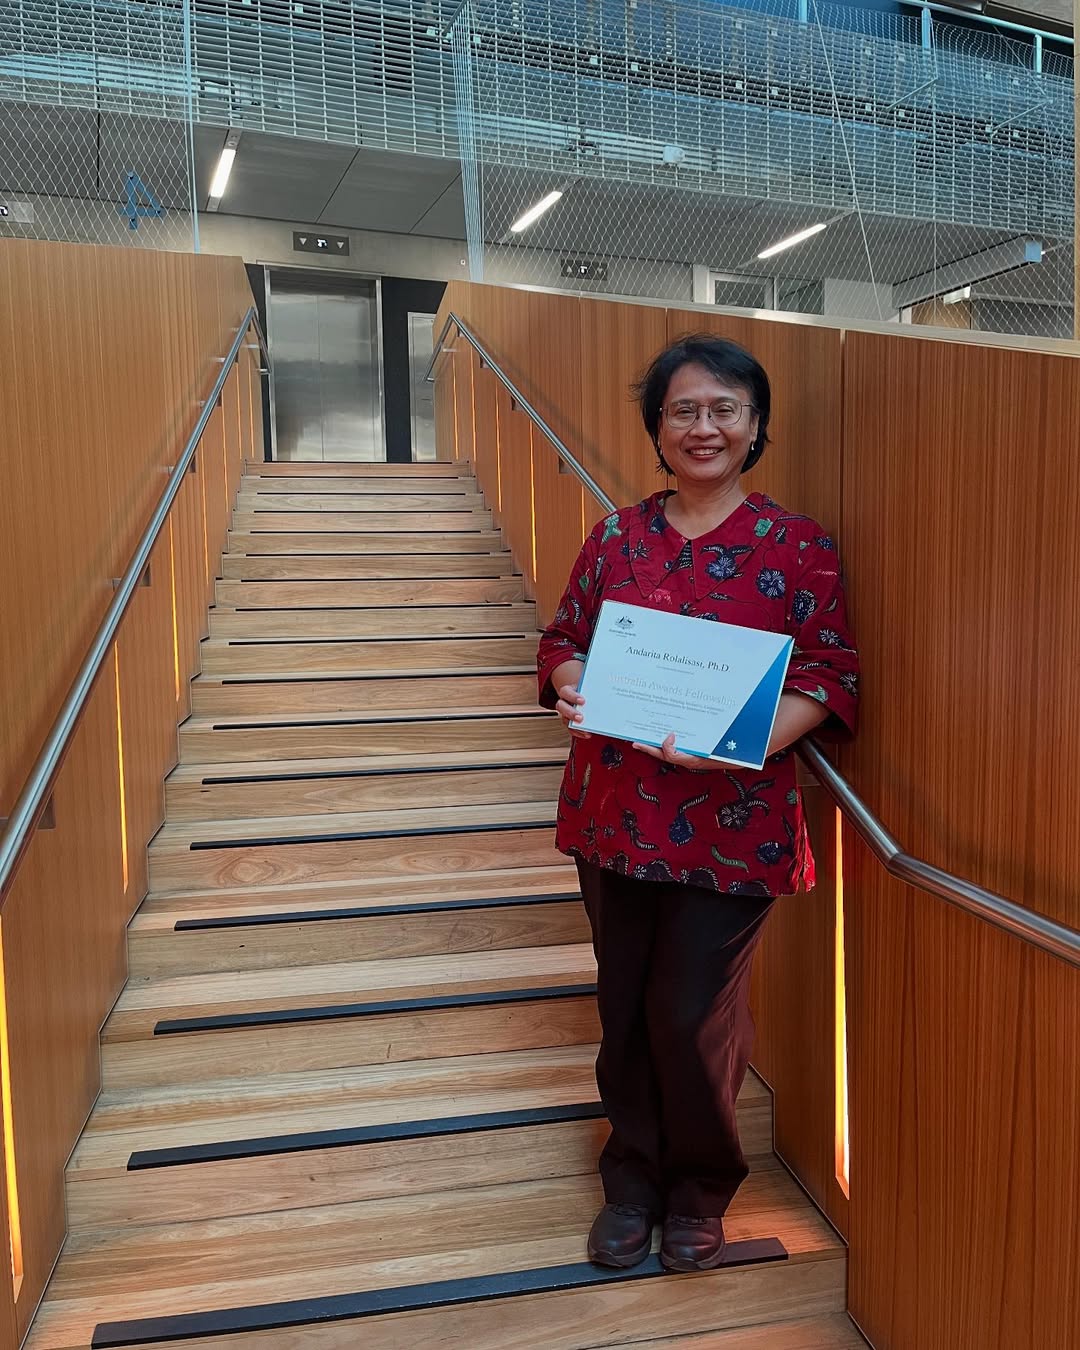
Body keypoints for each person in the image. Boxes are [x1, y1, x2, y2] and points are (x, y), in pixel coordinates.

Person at [536, 334, 859, 1273]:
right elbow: (563, 639)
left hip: (735, 823)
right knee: (625, 1005)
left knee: (691, 1015)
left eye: (723, 408)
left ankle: (700, 1188)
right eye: (683, 410)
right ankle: (632, 1180)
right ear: (658, 428)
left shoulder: (798, 546)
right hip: (614, 813)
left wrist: (743, 740)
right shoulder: (616, 537)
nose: (703, 426)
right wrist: (571, 685)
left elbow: (831, 675)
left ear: (756, 425)